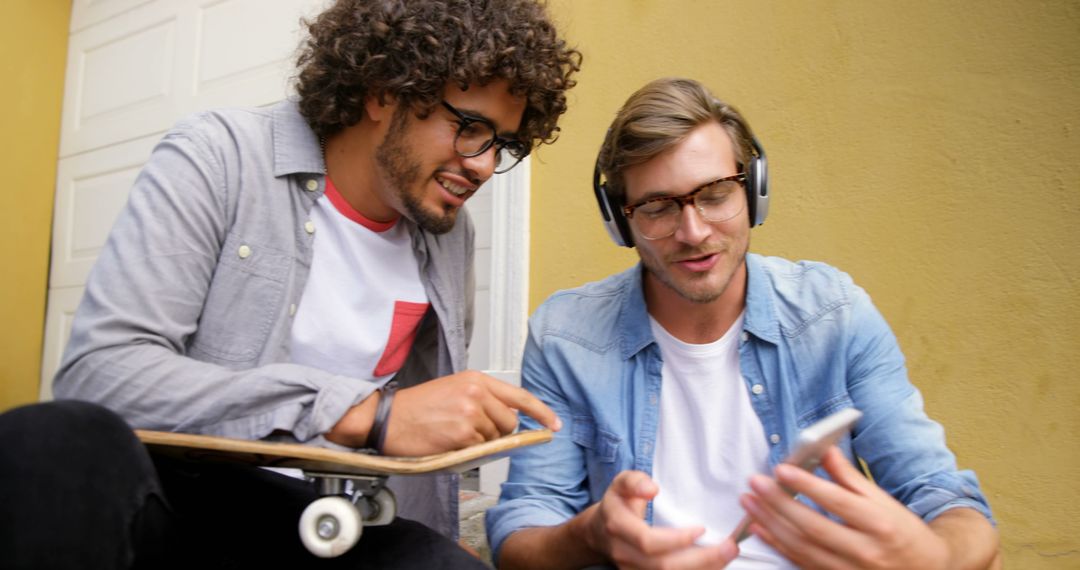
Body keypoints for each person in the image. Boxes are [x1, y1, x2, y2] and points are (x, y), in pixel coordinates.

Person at [0, 1, 580, 568]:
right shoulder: (218, 156)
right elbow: (102, 373)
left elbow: (420, 430)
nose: (483, 165)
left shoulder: (448, 233)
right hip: (182, 497)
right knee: (50, 440)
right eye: (470, 127)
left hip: (335, 514)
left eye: (502, 143)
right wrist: (366, 414)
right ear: (384, 90)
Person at [485, 77, 1000, 569]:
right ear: (621, 221)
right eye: (658, 207)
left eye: (714, 195)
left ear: (753, 192)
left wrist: (935, 557)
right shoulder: (565, 336)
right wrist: (591, 534)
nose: (693, 231)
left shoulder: (834, 315)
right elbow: (521, 536)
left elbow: (944, 496)